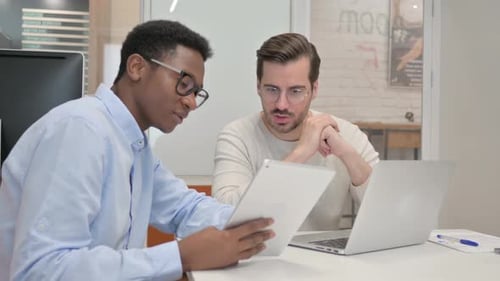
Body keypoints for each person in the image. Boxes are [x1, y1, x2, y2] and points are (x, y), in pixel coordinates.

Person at [0, 20, 274, 281]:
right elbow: (42, 270)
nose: (190, 102)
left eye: (196, 92)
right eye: (184, 84)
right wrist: (179, 257)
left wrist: (262, 222)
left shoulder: (135, 147)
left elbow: (184, 210)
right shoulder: (80, 129)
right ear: (137, 67)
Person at [212, 33, 379, 230]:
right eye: (272, 90)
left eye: (295, 91)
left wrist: (346, 153)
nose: (281, 104)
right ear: (258, 87)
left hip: (324, 260)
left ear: (314, 89)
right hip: (259, 258)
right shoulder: (237, 136)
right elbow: (224, 213)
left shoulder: (345, 134)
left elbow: (385, 212)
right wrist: (301, 152)